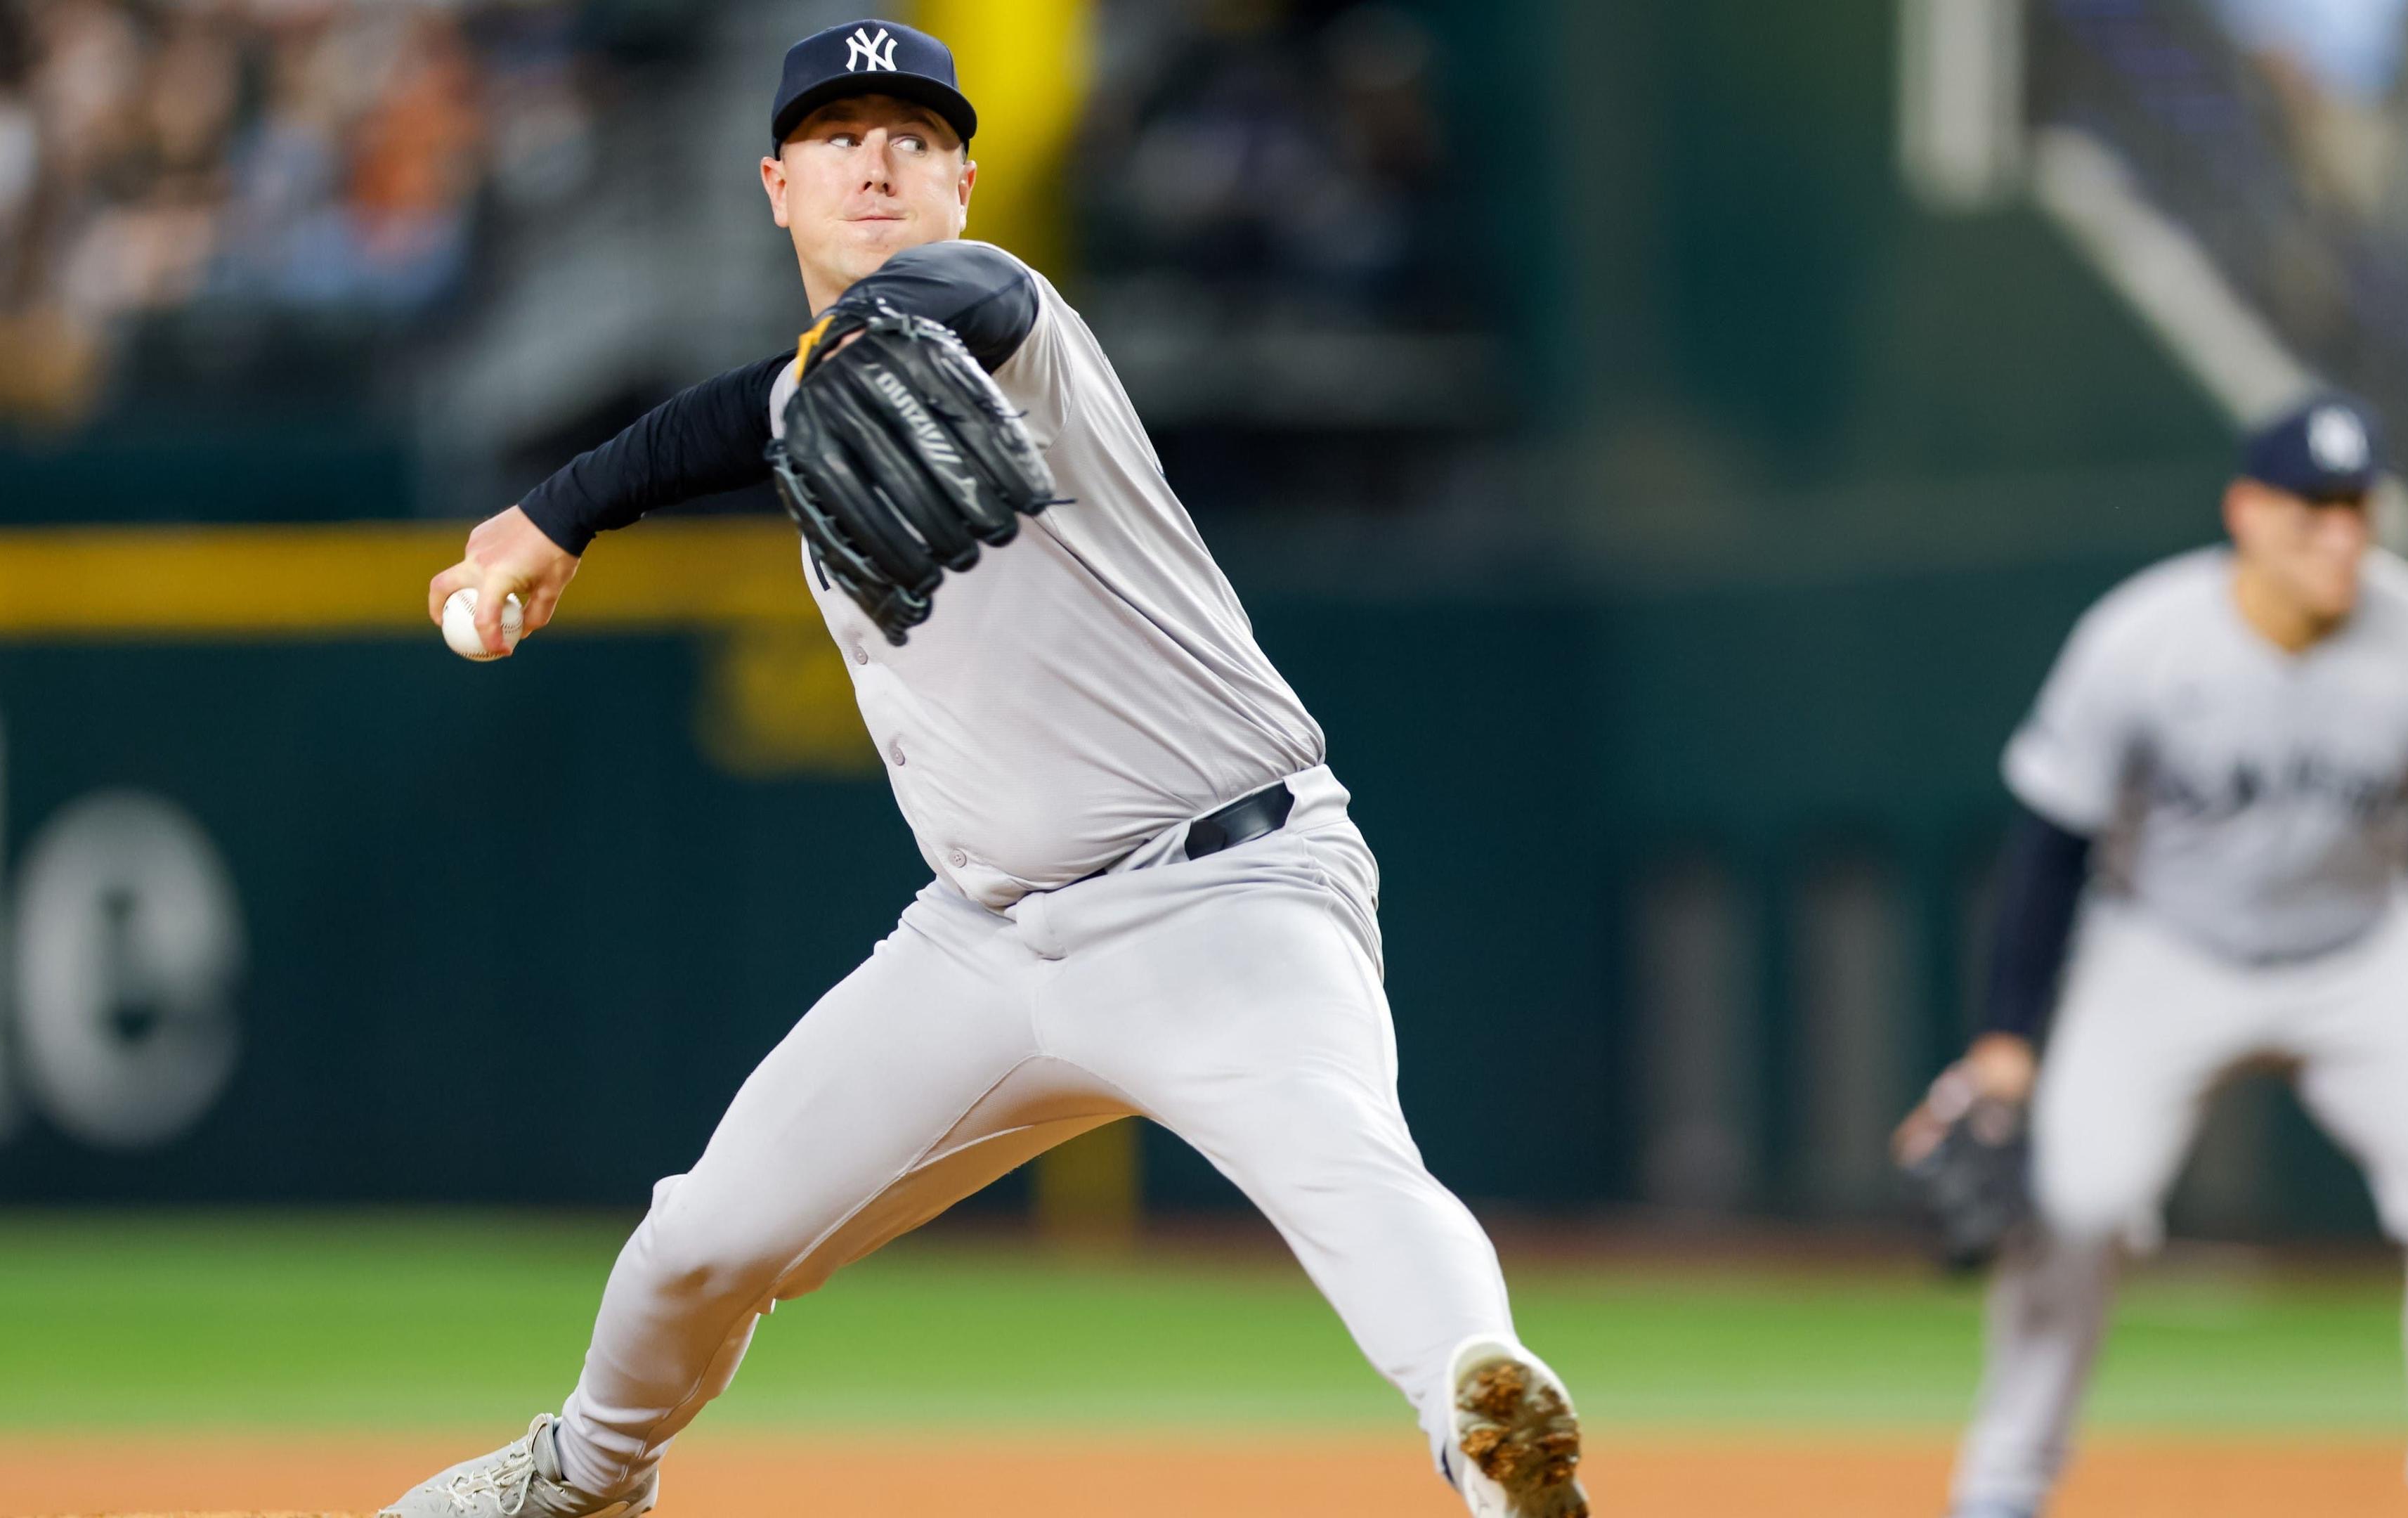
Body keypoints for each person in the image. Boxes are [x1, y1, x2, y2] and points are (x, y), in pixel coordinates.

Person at [380, 21, 1587, 1518]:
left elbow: (963, 295)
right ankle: (583, 1475)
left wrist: (857, 342)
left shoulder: (1008, 320)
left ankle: (1489, 1428)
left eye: (911, 134)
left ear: (964, 176)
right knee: (700, 1241)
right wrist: (554, 512)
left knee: (1351, 1172)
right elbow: (739, 415)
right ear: (773, 183)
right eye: (836, 134)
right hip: (983, 941)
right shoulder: (805, 394)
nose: (875, 157)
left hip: (1226, 894)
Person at [1894, 394, 2408, 1518]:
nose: (2340, 536)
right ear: (2246, 510)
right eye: (2312, 510)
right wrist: (2004, 1044)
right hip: (2166, 955)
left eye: (2355, 509)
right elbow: (2049, 845)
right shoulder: (2143, 638)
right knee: (2077, 1201)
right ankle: (2003, 1480)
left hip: (2362, 951)